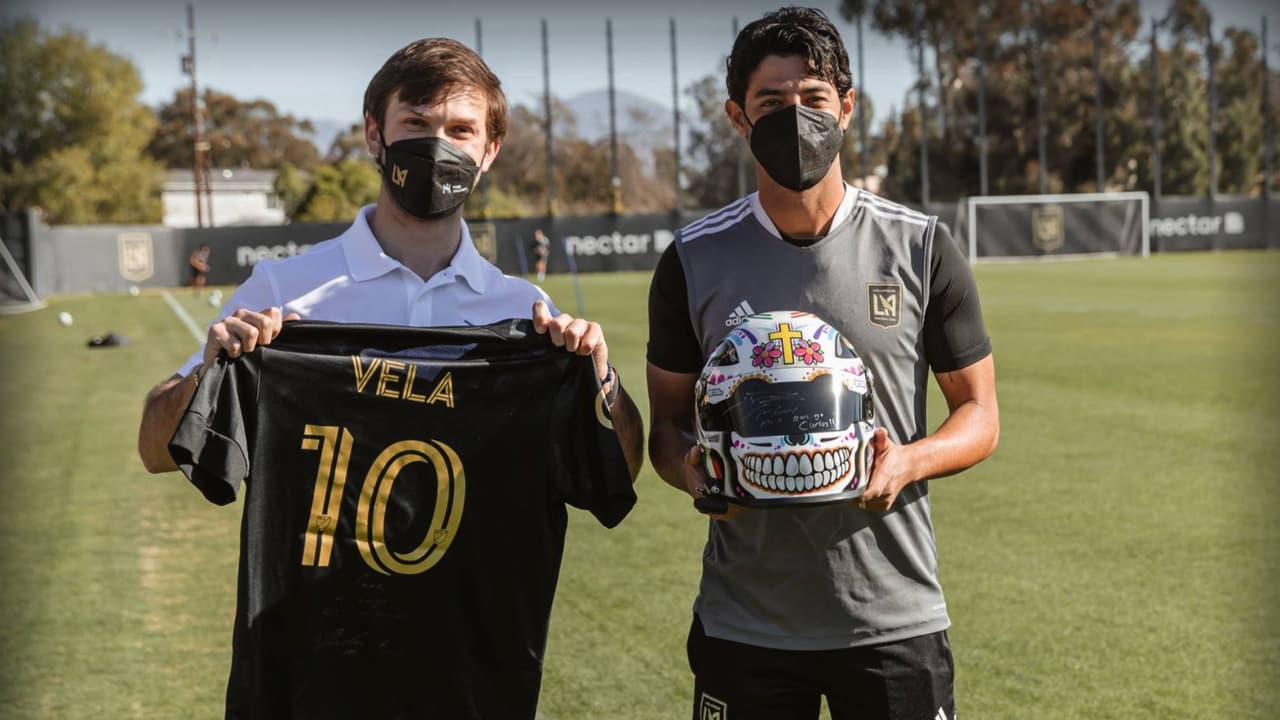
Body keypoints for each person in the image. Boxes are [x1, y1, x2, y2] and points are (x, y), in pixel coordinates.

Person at [138, 37, 643, 715]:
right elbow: (154, 448)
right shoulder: (284, 292)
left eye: (461, 130)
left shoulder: (526, 315)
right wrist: (213, 363)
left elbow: (619, 469)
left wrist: (602, 381)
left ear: (489, 151)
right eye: (416, 125)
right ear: (375, 135)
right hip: (309, 675)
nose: (438, 147)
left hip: (469, 679)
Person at [645, 8, 999, 720]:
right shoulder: (693, 258)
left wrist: (907, 461)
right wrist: (692, 470)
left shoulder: (922, 247)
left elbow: (981, 415)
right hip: (746, 623)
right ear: (738, 119)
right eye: (771, 104)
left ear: (847, 105)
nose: (795, 117)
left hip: (892, 616)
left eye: (812, 98)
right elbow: (667, 428)